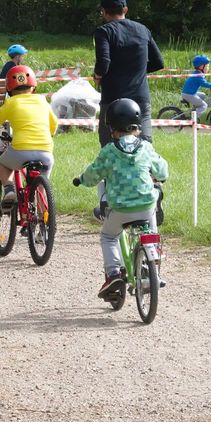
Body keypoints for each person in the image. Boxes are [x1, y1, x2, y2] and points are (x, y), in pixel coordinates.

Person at [74, 98, 169, 300]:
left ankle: (113, 274)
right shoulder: (145, 147)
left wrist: (81, 179)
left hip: (120, 208)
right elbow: (162, 169)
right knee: (151, 232)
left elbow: (93, 174)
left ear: (111, 127)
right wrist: (161, 178)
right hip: (146, 204)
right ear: (137, 125)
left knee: (109, 237)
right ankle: (155, 271)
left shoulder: (109, 150)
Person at [93, 0, 165, 216]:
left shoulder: (104, 31)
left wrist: (98, 75)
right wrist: (138, 71)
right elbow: (158, 61)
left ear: (103, 12)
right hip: (140, 100)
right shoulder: (142, 29)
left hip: (114, 100)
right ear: (125, 10)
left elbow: (104, 62)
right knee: (145, 145)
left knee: (110, 149)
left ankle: (107, 202)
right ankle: (154, 186)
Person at [0, 65, 58, 208]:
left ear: (9, 89)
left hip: (21, 150)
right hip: (46, 152)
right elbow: (54, 124)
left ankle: (9, 189)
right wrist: (50, 134)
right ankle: (44, 219)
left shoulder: (10, 103)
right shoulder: (42, 100)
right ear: (33, 86)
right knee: (41, 187)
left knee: (3, 163)